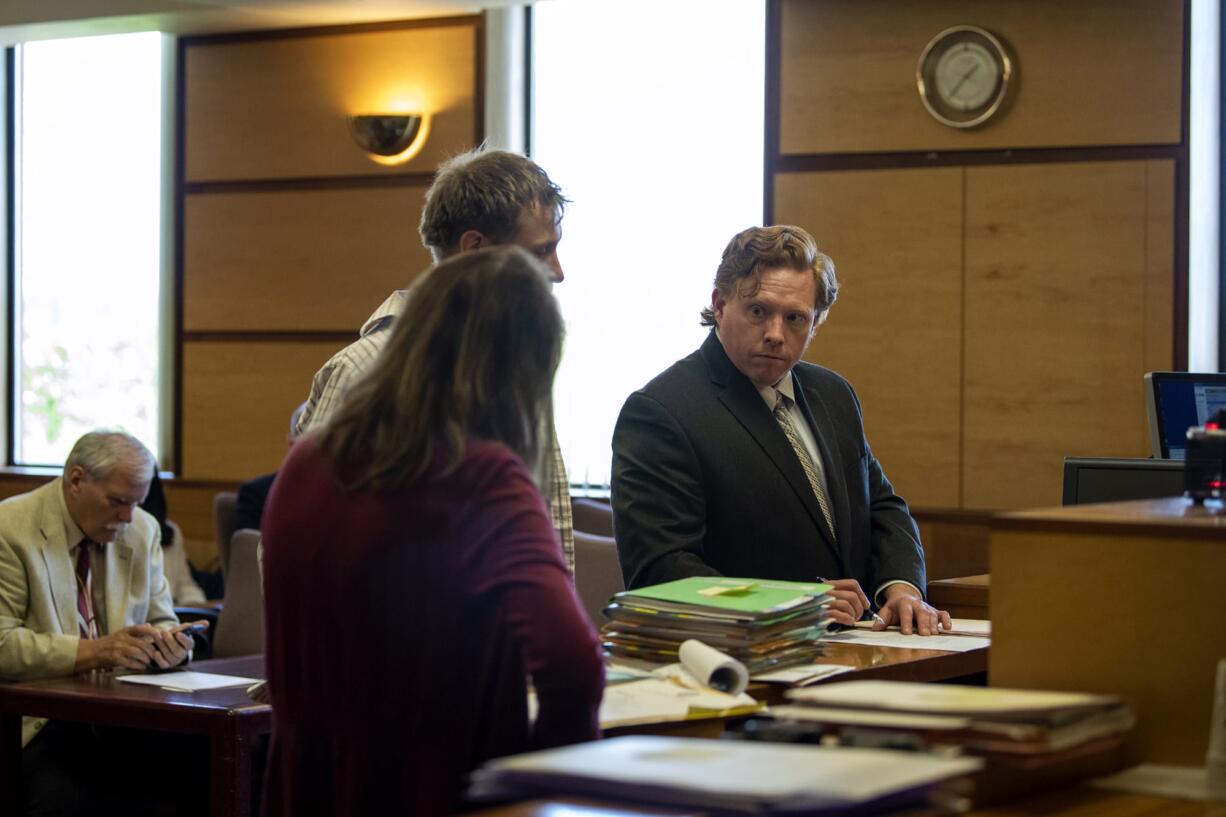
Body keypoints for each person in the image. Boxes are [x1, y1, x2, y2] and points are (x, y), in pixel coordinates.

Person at [261, 246, 603, 817]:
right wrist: (547, 784)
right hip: (437, 791)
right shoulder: (482, 476)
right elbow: (572, 663)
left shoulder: (309, 459)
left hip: (305, 789)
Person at [611, 225, 950, 635]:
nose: (775, 334)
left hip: (857, 649)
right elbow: (660, 570)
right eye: (758, 311)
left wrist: (903, 588)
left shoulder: (833, 393)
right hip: (740, 660)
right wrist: (791, 605)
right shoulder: (661, 411)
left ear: (816, 322)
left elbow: (880, 506)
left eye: (794, 318)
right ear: (719, 304)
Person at [294, 147, 576, 572]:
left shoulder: (515, 368)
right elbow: (299, 552)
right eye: (539, 252)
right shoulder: (364, 371)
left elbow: (547, 552)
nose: (557, 272)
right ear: (474, 249)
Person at [0, 430, 204, 815]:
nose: (128, 517)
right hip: (39, 723)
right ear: (76, 480)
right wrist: (95, 651)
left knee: (202, 768)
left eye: (137, 503)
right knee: (77, 798)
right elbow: (2, 644)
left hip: (123, 715)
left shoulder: (143, 530)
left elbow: (162, 619)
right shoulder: (10, 528)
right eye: (117, 501)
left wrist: (172, 647)